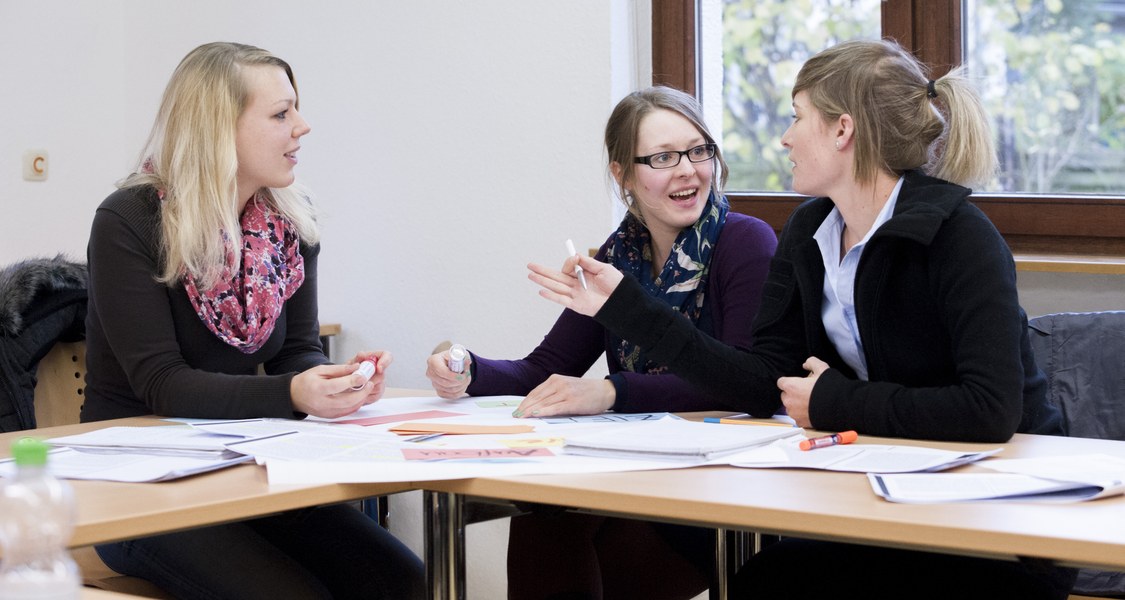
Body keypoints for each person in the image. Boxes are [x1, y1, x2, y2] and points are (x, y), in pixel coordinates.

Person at [528, 40, 1074, 600]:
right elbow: (760, 382)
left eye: (797, 118)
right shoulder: (810, 231)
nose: (785, 138)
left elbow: (989, 409)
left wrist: (834, 401)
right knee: (766, 578)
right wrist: (627, 307)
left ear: (843, 131)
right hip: (896, 502)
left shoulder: (962, 237)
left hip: (1004, 522)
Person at [82, 42, 424, 600]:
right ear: (220, 128)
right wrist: (294, 392)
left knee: (402, 581)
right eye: (281, 113)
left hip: (242, 468)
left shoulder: (289, 221)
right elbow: (162, 385)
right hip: (134, 485)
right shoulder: (130, 220)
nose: (303, 127)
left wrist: (336, 384)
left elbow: (298, 355)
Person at [425, 86, 777, 599]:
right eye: (663, 157)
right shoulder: (621, 251)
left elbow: (743, 382)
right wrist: (466, 368)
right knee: (540, 512)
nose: (688, 170)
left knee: (565, 539)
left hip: (714, 489)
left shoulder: (746, 241)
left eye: (699, 151)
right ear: (622, 174)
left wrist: (612, 391)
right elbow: (543, 367)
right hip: (636, 475)